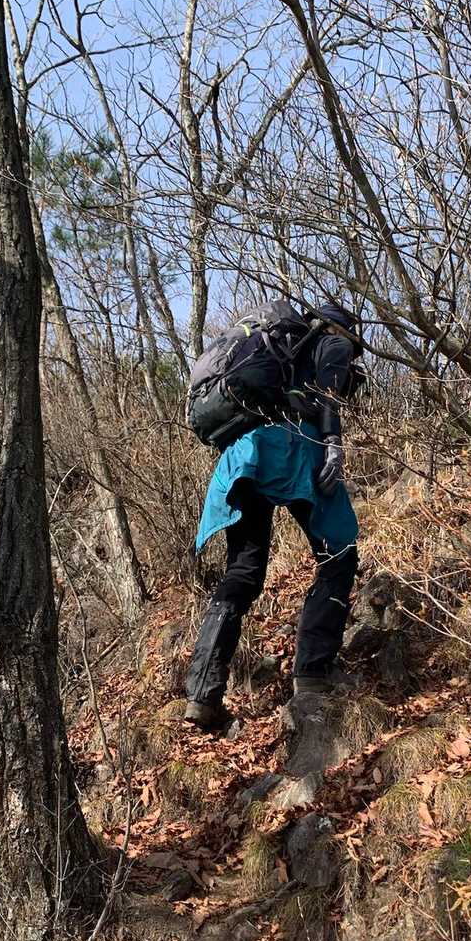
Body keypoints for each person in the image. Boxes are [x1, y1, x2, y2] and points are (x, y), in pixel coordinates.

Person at [184, 304, 363, 729]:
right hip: (292, 448)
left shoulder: (276, 348)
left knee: (244, 572)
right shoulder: (332, 341)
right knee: (339, 555)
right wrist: (333, 442)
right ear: (338, 329)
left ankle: (202, 694)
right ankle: (313, 675)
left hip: (243, 456)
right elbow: (327, 396)